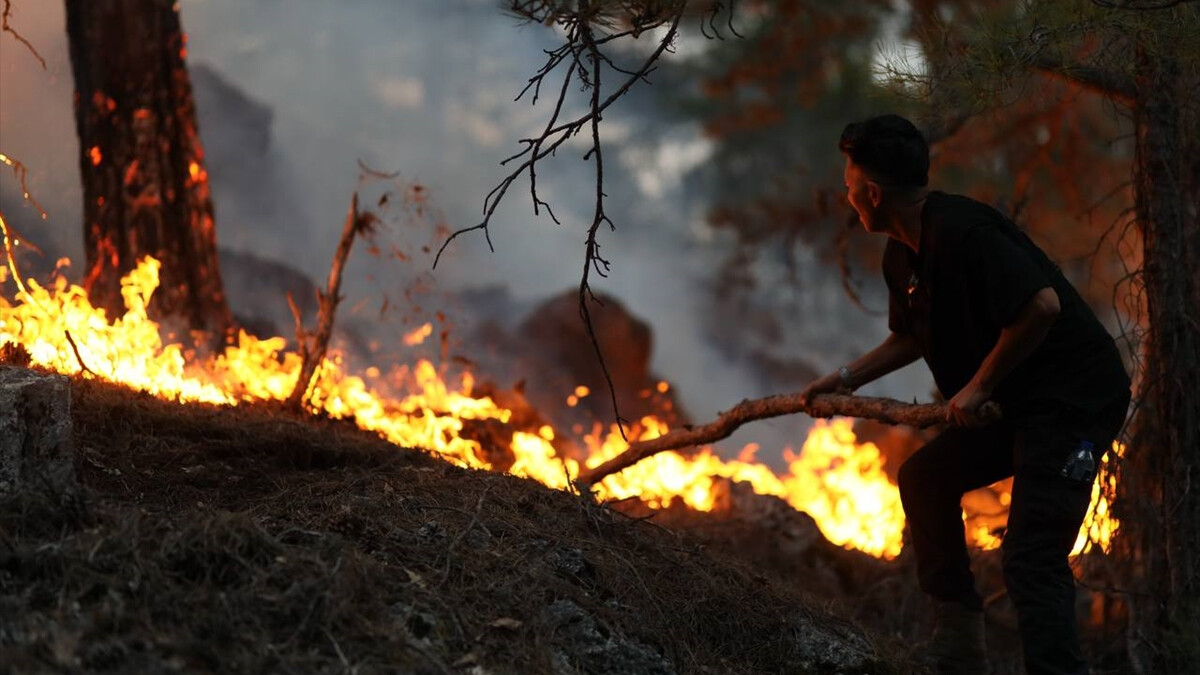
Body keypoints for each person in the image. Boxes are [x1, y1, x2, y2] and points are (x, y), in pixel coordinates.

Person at [799, 114, 1131, 675]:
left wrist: (978, 385)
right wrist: (847, 376)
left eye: (849, 182)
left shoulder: (964, 232)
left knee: (1030, 556)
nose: (845, 192)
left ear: (873, 193)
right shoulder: (900, 256)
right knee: (925, 477)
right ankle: (958, 648)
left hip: (1075, 402)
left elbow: (1041, 307)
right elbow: (910, 335)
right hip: (1015, 402)